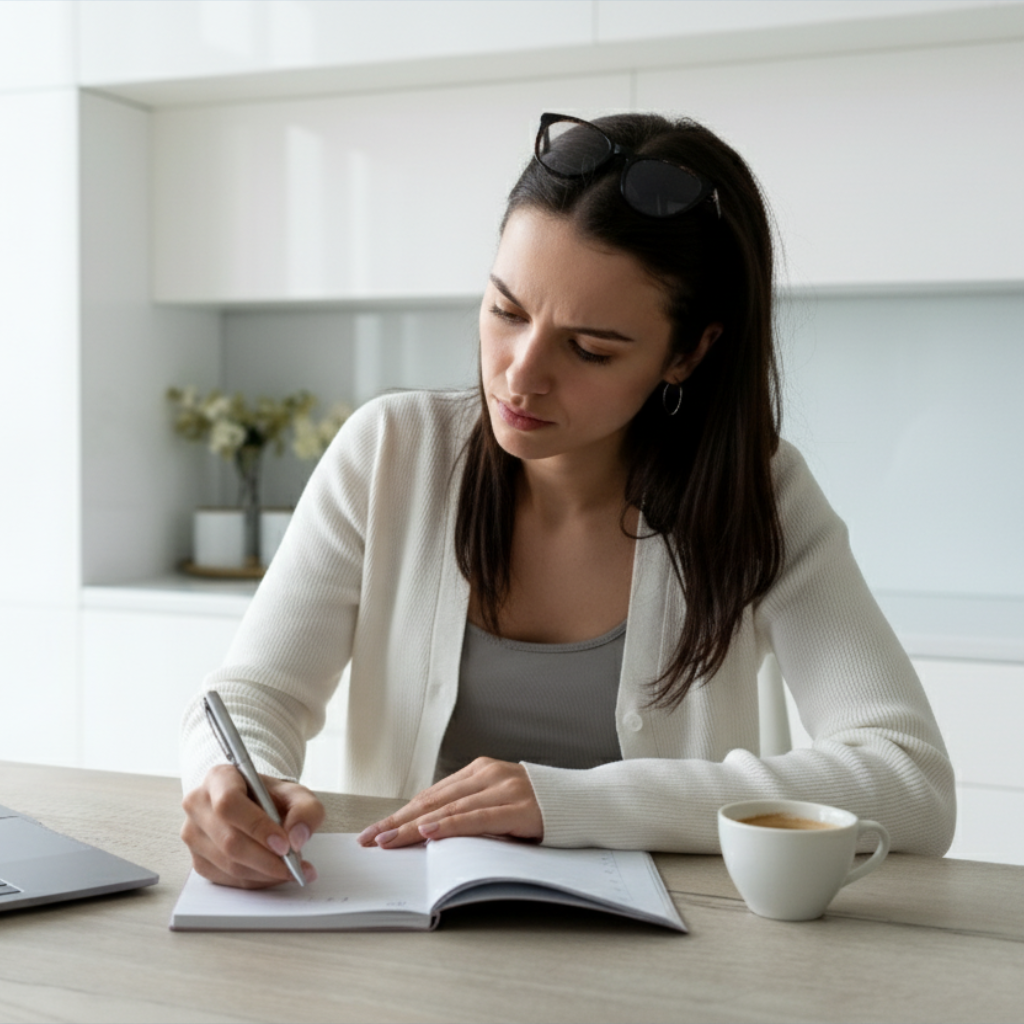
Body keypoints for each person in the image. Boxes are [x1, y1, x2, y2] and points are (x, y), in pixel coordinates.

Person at [180, 112, 956, 889]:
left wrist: (573, 802)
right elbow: (251, 697)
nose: (520, 375)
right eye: (506, 311)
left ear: (687, 352)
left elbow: (909, 781)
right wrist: (232, 784)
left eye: (589, 348)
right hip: (409, 949)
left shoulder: (761, 495)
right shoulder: (391, 453)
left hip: (676, 964)